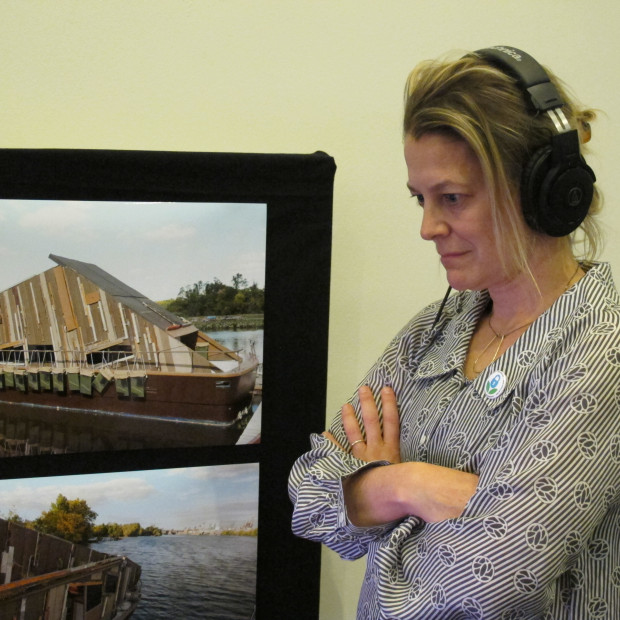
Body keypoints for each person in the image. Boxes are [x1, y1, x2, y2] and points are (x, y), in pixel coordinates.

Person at [288, 45, 620, 619]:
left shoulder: (599, 350)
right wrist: (409, 485)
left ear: (544, 190)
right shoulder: (434, 330)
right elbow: (308, 494)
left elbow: (481, 585)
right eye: (421, 199)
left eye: (453, 198)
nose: (427, 227)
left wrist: (367, 497)